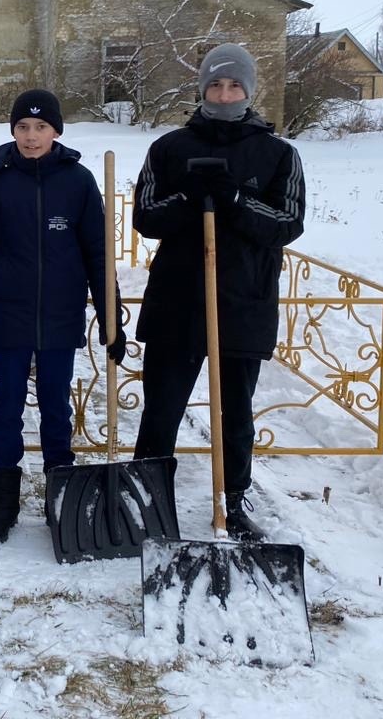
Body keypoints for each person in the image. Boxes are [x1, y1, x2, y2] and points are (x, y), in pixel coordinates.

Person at [130, 43, 306, 542]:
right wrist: (189, 198)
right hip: (177, 301)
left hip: (242, 303)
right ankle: (149, 498)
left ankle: (233, 500)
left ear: (249, 91)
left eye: (234, 85)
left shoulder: (278, 155)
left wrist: (233, 199)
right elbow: (145, 216)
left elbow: (287, 223)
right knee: (162, 408)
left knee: (236, 413)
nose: (224, 93)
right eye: (215, 84)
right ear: (202, 87)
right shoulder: (169, 148)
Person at [0, 89, 125, 545]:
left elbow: (97, 252)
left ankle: (60, 493)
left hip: (59, 312)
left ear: (56, 131)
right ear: (13, 130)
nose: (31, 137)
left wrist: (112, 313)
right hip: (6, 313)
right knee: (6, 406)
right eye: (23, 127)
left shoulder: (77, 181)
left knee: (56, 406)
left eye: (41, 128)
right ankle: (4, 497)